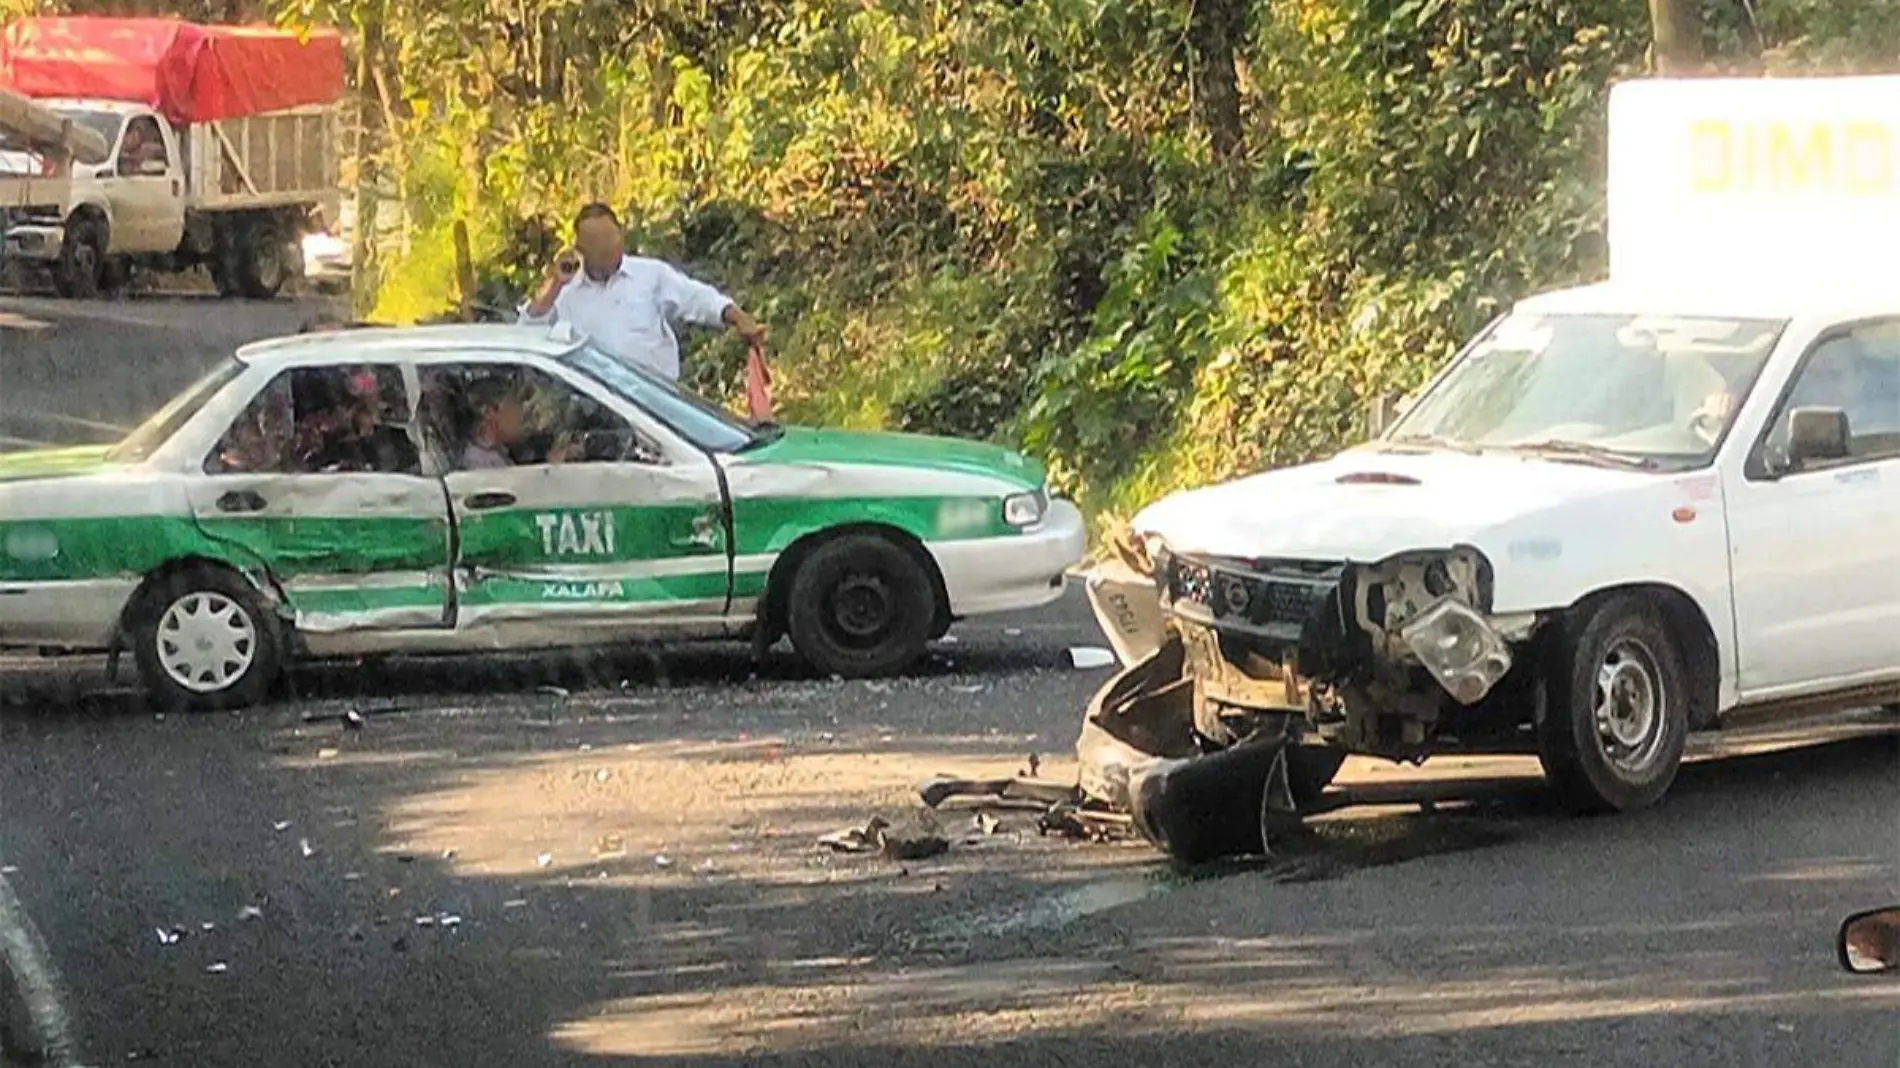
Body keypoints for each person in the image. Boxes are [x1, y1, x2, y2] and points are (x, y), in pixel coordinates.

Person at [517, 202, 769, 386]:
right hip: (596, 414)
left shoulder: (650, 276)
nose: (605, 250)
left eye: (610, 240)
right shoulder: (566, 292)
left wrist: (737, 317)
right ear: (580, 249)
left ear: (621, 236)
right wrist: (555, 283)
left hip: (656, 408)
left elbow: (697, 299)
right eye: (595, 244)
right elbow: (525, 330)